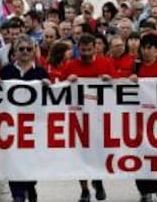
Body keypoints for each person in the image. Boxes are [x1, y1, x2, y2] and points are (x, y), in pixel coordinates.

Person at [61, 33, 116, 202]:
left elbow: (117, 87)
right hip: (77, 118)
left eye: (89, 50)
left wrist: (110, 80)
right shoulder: (70, 66)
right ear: (78, 48)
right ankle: (84, 189)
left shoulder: (106, 63)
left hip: (99, 118)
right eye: (83, 50)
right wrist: (67, 81)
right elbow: (58, 89)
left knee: (99, 152)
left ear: (95, 48)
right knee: (80, 155)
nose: (85, 53)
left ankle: (98, 180)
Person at [0, 35, 50, 202]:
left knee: (31, 161)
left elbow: (50, 98)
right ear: (15, 52)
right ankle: (18, 194)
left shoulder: (41, 72)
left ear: (34, 52)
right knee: (13, 160)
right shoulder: (7, 71)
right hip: (12, 125)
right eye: (21, 49)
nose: (25, 52)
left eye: (29, 49)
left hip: (34, 126)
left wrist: (49, 86)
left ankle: (29, 185)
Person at [128, 33, 157, 202]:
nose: (146, 52)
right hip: (139, 117)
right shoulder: (136, 66)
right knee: (140, 153)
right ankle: (144, 189)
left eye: (149, 48)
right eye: (143, 48)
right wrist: (130, 79)